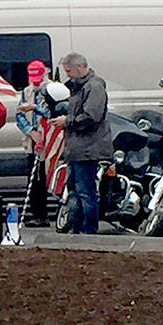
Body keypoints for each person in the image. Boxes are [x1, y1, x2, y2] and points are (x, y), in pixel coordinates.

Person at [49, 51, 110, 234]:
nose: (67, 74)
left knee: (85, 192)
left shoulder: (94, 87)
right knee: (74, 191)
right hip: (77, 149)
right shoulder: (79, 87)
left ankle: (88, 230)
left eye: (69, 70)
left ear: (80, 67)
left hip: (88, 149)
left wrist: (66, 121)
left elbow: (92, 117)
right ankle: (77, 229)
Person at [16, 59, 50, 226]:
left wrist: (35, 107)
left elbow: (51, 112)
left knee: (45, 179)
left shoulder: (51, 90)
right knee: (34, 179)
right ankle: (37, 214)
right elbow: (19, 114)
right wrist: (31, 131)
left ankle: (47, 214)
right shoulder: (26, 92)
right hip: (32, 142)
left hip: (49, 142)